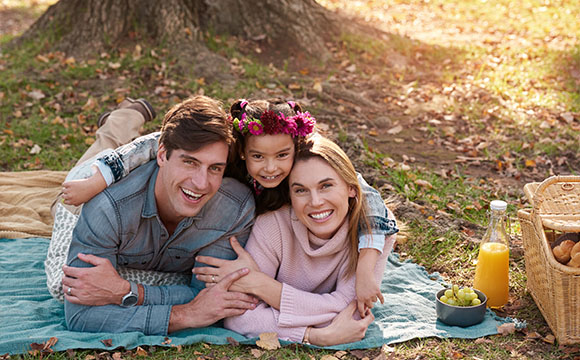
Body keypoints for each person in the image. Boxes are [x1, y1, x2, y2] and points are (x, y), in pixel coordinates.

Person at [61, 98, 398, 317]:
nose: (270, 168)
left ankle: (119, 120)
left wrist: (366, 267)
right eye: (257, 157)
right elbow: (155, 144)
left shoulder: (304, 165)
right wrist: (95, 183)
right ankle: (123, 117)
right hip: (89, 193)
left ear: (295, 148)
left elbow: (366, 195)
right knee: (88, 172)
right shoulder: (229, 160)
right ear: (243, 153)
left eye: (282, 156)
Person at [53, 96, 258, 335]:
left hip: (144, 181)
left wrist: (124, 291)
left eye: (215, 168)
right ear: (162, 155)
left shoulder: (234, 208)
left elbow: (210, 296)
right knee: (57, 284)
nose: (202, 183)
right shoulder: (106, 208)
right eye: (190, 162)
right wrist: (186, 314)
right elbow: (81, 316)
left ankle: (122, 122)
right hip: (79, 197)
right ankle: (121, 118)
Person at [194, 136, 397, 346]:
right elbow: (239, 317)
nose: (316, 202)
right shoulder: (272, 225)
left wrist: (264, 287)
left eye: (326, 186)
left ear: (351, 188)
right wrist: (313, 335)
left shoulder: (376, 232)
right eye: (300, 190)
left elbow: (351, 312)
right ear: (289, 195)